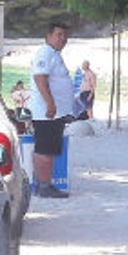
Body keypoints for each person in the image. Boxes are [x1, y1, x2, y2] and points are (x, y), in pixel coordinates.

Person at [28, 21, 77, 199]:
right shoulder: (45, 53)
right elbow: (40, 79)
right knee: (45, 150)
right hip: (47, 113)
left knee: (48, 149)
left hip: (55, 113)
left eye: (65, 36)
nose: (63, 39)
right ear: (49, 36)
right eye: (59, 35)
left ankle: (43, 184)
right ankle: (44, 186)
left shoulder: (53, 54)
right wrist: (50, 104)